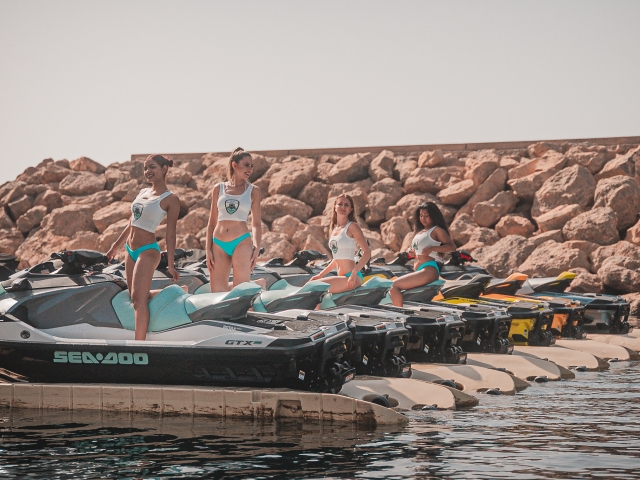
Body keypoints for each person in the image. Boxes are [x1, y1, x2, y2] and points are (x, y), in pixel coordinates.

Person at [106, 155, 181, 340]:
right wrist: (116, 246)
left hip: (148, 251)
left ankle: (139, 345)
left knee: (139, 302)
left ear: (164, 169)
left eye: (152, 167)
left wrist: (171, 265)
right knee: (135, 297)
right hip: (130, 250)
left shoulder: (171, 199)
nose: (148, 171)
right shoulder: (142, 192)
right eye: (146, 168)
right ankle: (172, 293)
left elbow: (171, 234)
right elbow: (132, 222)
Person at [206, 147, 262, 292]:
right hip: (218, 243)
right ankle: (258, 284)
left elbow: (256, 224)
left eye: (251, 166)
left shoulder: (253, 191)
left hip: (241, 242)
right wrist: (208, 249)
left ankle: (256, 287)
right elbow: (212, 222)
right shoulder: (218, 189)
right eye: (246, 165)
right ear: (234, 165)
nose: (250, 169)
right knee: (217, 294)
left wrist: (256, 248)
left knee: (241, 292)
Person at [389, 202, 456, 306]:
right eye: (421, 215)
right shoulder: (420, 232)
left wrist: (432, 248)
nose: (423, 218)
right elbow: (418, 251)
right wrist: (412, 253)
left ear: (433, 216)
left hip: (429, 269)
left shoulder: (437, 230)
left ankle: (398, 313)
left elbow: (452, 247)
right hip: (419, 269)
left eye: (426, 215)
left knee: (394, 286)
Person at [310, 194, 371, 292]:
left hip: (352, 277)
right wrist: (320, 275)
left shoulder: (352, 226)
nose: (343, 207)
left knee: (314, 287)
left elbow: (367, 252)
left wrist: (354, 273)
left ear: (350, 209)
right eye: (340, 204)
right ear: (335, 207)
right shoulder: (334, 229)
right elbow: (337, 259)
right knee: (312, 286)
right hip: (341, 277)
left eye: (346, 205)